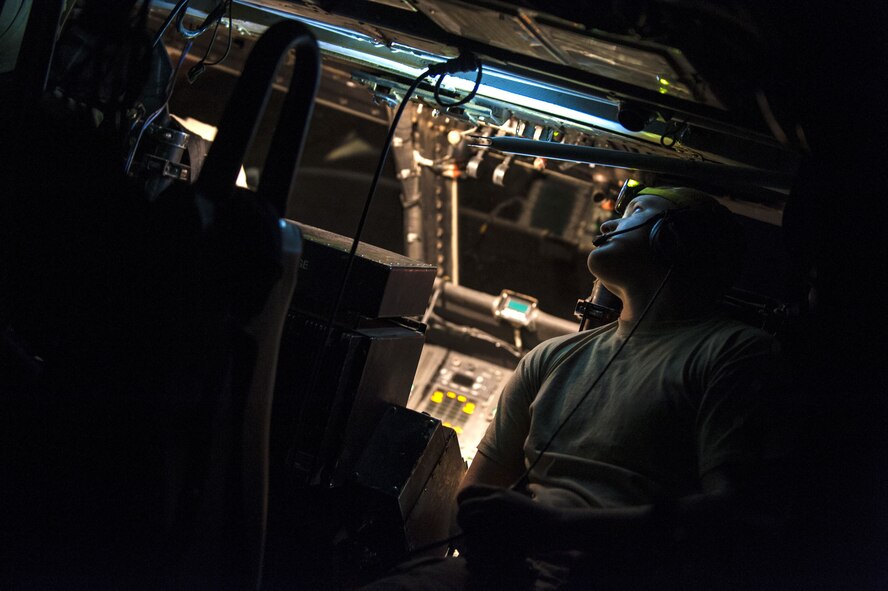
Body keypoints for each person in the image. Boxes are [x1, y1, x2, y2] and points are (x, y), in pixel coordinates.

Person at [362, 186, 788, 590]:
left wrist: (557, 528)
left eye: (636, 213)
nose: (607, 225)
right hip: (513, 572)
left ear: (671, 239)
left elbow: (731, 514)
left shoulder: (736, 352)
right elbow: (474, 496)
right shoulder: (549, 357)